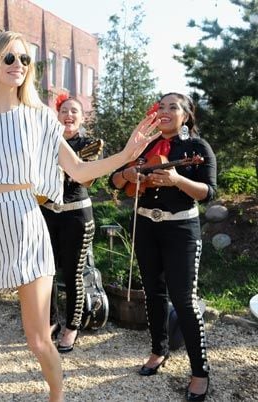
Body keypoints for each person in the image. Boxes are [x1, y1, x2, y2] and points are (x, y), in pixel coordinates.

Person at [0, 31, 160, 402]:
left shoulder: (40, 116)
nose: (19, 66)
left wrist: (125, 154)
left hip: (28, 226)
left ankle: (57, 397)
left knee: (39, 341)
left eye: (25, 60)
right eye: (10, 58)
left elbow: (79, 170)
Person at [110, 92, 217, 401]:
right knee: (154, 293)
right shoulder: (142, 145)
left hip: (181, 229)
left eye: (173, 107)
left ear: (187, 115)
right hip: (145, 225)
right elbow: (115, 183)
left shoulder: (198, 148)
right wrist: (126, 173)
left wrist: (178, 181)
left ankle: (200, 371)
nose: (166, 111)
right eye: (161, 106)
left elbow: (208, 192)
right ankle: (158, 350)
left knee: (183, 300)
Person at [41, 96, 100, 353]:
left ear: (82, 117)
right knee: (46, 273)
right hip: (46, 213)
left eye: (74, 111)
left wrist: (71, 168)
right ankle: (50, 322)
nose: (68, 115)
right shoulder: (46, 141)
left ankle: (72, 326)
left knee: (74, 274)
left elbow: (87, 181)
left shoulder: (89, 144)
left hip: (76, 215)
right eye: (64, 110)